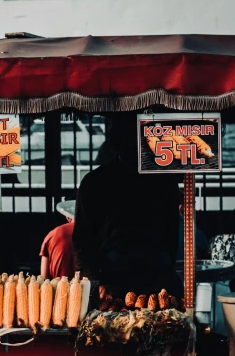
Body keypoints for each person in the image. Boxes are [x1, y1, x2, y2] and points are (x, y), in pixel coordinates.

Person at [72, 114, 181, 298]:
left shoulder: (165, 180)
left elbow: (172, 233)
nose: (135, 144)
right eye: (129, 138)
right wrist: (95, 280)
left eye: (139, 139)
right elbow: (82, 240)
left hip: (157, 275)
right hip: (113, 278)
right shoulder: (96, 182)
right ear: (116, 142)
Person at [40, 200, 76, 279]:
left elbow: (44, 278)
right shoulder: (96, 234)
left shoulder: (51, 235)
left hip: (58, 289)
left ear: (68, 217)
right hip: (89, 289)